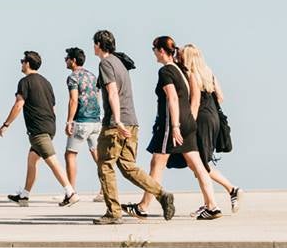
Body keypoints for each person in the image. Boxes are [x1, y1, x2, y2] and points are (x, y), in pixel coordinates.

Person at [90, 30, 171, 225]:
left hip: (116, 125)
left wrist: (116, 121)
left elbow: (112, 93)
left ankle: (113, 212)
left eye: (94, 43)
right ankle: (162, 194)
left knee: (105, 166)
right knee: (128, 167)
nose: (93, 47)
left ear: (100, 44)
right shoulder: (120, 63)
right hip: (132, 121)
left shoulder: (106, 63)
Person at [135, 37, 220, 219]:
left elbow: (172, 98)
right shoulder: (182, 70)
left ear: (161, 51)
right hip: (188, 122)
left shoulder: (166, 71)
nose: (153, 53)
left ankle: (143, 207)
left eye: (154, 49)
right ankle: (212, 206)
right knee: (198, 166)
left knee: (157, 163)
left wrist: (174, 126)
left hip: (172, 124)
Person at [0, 51, 69, 207]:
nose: (21, 63)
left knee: (52, 161)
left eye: (22, 61)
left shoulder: (25, 82)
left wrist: (6, 124)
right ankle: (24, 196)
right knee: (32, 160)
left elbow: (18, 104)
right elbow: (53, 107)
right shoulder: (46, 82)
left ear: (28, 63)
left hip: (39, 130)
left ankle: (70, 192)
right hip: (50, 127)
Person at [181, 44, 240, 212]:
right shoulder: (208, 72)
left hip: (201, 119)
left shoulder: (191, 74)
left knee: (200, 164)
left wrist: (189, 123)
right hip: (213, 117)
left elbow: (195, 101)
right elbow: (220, 97)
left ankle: (230, 190)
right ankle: (208, 202)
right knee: (198, 164)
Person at [60, 48, 102, 202]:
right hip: (96, 120)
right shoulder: (92, 76)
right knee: (98, 155)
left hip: (81, 121)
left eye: (67, 58)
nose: (65, 60)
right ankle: (105, 189)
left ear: (73, 60)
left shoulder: (73, 77)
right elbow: (97, 97)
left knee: (70, 154)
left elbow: (73, 100)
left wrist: (69, 121)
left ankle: (71, 192)